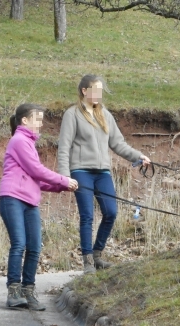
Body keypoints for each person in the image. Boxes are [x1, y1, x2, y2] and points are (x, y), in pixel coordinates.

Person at [58, 74, 151, 274]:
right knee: (87, 216)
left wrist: (139, 156)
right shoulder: (72, 114)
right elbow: (64, 148)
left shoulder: (105, 114)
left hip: (102, 173)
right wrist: (65, 177)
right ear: (85, 91)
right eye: (96, 90)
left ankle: (97, 253)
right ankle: (88, 262)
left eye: (101, 90)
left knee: (111, 212)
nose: (99, 94)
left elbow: (118, 144)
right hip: (81, 171)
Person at [0, 103, 78, 310]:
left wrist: (61, 187)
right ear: (24, 120)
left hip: (30, 201)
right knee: (19, 244)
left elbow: (37, 179)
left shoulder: (29, 143)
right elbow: (37, 169)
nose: (41, 124)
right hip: (12, 198)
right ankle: (14, 292)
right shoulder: (18, 140)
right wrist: (63, 179)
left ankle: (28, 291)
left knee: (34, 247)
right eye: (38, 119)